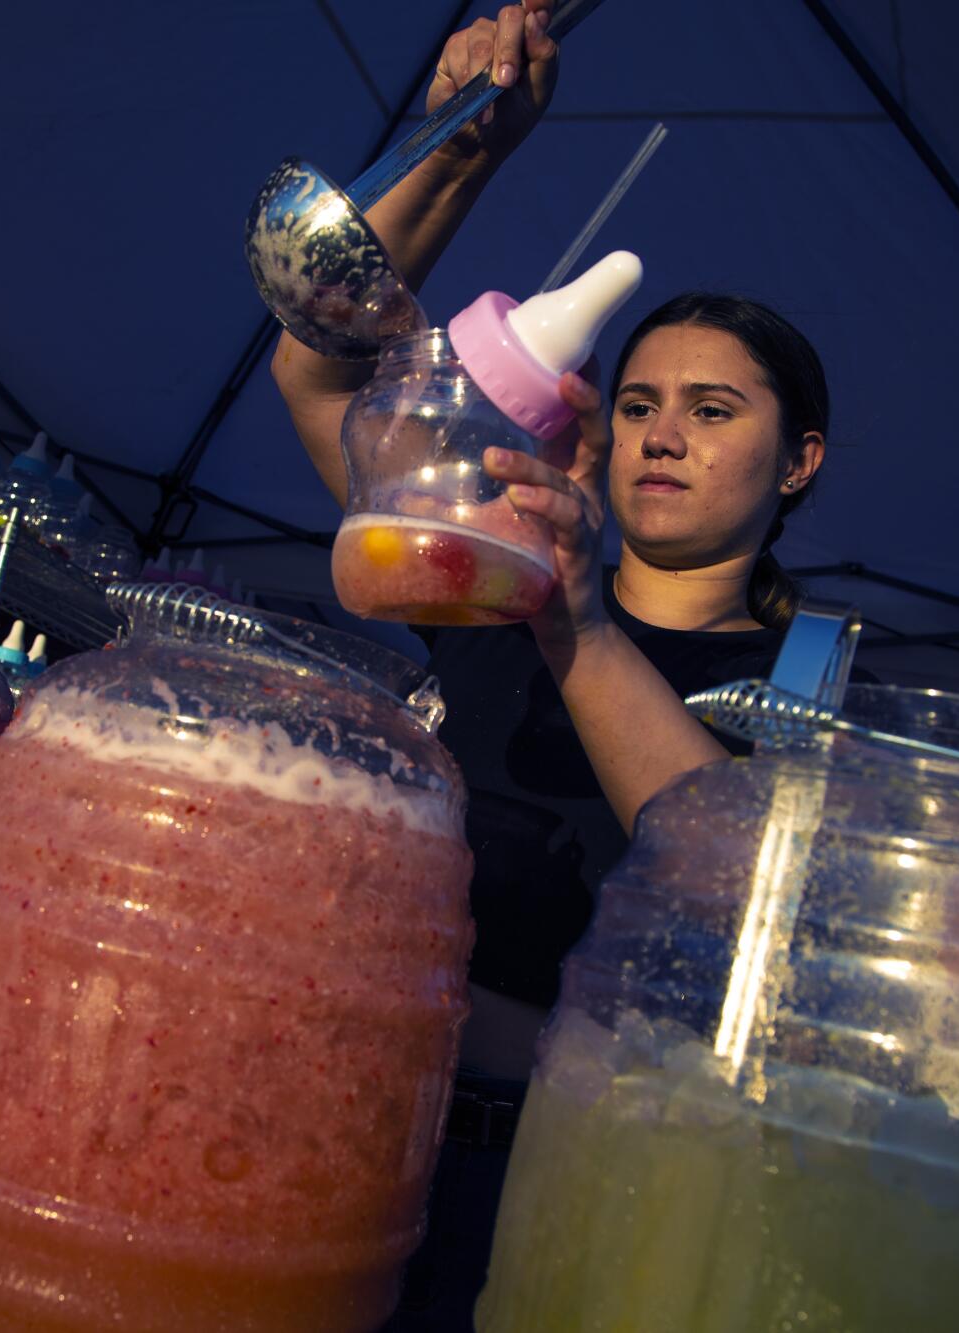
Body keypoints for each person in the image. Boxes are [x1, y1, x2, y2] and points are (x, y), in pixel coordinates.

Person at [269, 3, 838, 1323]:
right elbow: (314, 375)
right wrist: (459, 154)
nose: (662, 438)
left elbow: (732, 870)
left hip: (575, 1194)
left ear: (801, 458)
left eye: (713, 411)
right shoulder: (489, 574)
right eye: (638, 404)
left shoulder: (806, 684)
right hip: (345, 1128)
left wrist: (574, 617)